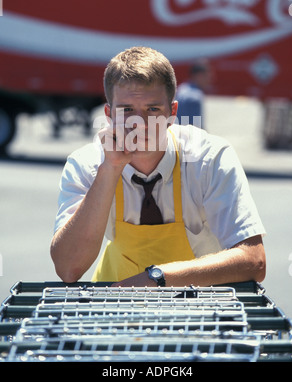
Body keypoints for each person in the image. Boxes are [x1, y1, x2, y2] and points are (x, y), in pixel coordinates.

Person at [51, 46, 266, 287]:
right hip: (114, 308)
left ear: (172, 113)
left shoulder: (210, 157)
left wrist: (157, 279)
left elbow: (254, 260)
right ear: (109, 114)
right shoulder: (87, 163)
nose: (140, 124)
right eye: (127, 110)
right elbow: (68, 269)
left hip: (200, 310)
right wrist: (109, 169)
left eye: (152, 109)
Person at [176, 58, 212, 128]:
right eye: (207, 76)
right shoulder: (195, 97)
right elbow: (197, 128)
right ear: (199, 76)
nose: (210, 79)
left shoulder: (181, 88)